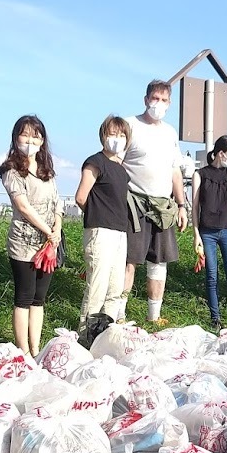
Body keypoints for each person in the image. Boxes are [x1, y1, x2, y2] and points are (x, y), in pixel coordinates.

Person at [122, 79, 188, 326]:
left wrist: (181, 205)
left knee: (159, 263)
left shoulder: (170, 133)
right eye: (154, 98)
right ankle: (119, 314)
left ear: (169, 104)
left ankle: (154, 316)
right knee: (129, 261)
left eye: (163, 100)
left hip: (163, 206)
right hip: (133, 204)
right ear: (146, 99)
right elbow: (116, 162)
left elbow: (175, 171)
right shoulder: (130, 125)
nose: (158, 104)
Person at [0, 115, 62, 356]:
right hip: (24, 242)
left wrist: (56, 229)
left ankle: (35, 348)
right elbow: (23, 207)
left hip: (48, 245)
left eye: (35, 136)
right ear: (16, 138)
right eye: (25, 135)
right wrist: (48, 231)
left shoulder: (47, 170)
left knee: (39, 298)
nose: (30, 140)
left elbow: (58, 203)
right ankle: (22, 349)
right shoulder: (12, 170)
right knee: (24, 296)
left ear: (42, 140)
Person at [74, 115, 132, 329]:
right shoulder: (95, 162)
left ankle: (106, 332)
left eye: (122, 135)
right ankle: (86, 334)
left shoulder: (121, 169)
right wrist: (98, 214)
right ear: (103, 136)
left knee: (115, 289)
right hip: (100, 231)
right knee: (97, 287)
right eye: (112, 134)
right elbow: (81, 197)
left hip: (119, 232)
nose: (117, 138)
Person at [192, 135, 227, 329]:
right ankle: (215, 318)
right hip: (207, 231)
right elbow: (195, 207)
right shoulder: (200, 174)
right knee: (211, 275)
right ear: (220, 153)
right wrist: (196, 234)